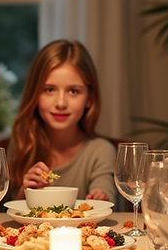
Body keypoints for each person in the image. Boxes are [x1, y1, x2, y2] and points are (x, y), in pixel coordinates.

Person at [7, 40, 116, 202]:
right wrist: (25, 191)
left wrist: (100, 198)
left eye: (73, 91)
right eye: (49, 90)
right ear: (34, 94)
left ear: (89, 98)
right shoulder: (22, 145)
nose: (60, 103)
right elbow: (5, 213)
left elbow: (105, 196)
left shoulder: (100, 151)